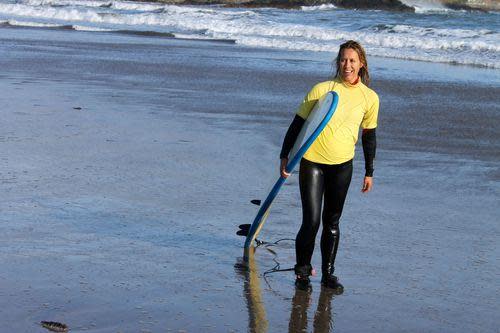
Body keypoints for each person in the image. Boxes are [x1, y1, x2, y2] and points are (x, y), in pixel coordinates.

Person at [279, 40, 379, 292]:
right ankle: (302, 274)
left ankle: (328, 275)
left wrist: (369, 171)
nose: (347, 65)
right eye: (343, 59)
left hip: (343, 165)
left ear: (361, 64)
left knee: (332, 222)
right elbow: (297, 123)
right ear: (338, 62)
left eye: (352, 60)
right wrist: (285, 156)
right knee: (311, 221)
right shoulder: (322, 89)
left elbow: (369, 136)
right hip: (312, 162)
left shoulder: (370, 98)